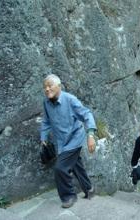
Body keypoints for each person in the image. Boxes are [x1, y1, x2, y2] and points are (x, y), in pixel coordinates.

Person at [40, 74, 97, 208]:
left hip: (75, 139)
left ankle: (69, 196)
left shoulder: (70, 100)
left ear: (59, 86)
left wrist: (90, 135)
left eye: (50, 85)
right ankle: (89, 189)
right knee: (76, 165)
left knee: (60, 168)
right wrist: (43, 138)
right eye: (45, 87)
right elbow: (46, 121)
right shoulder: (46, 103)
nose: (47, 89)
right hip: (61, 142)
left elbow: (87, 114)